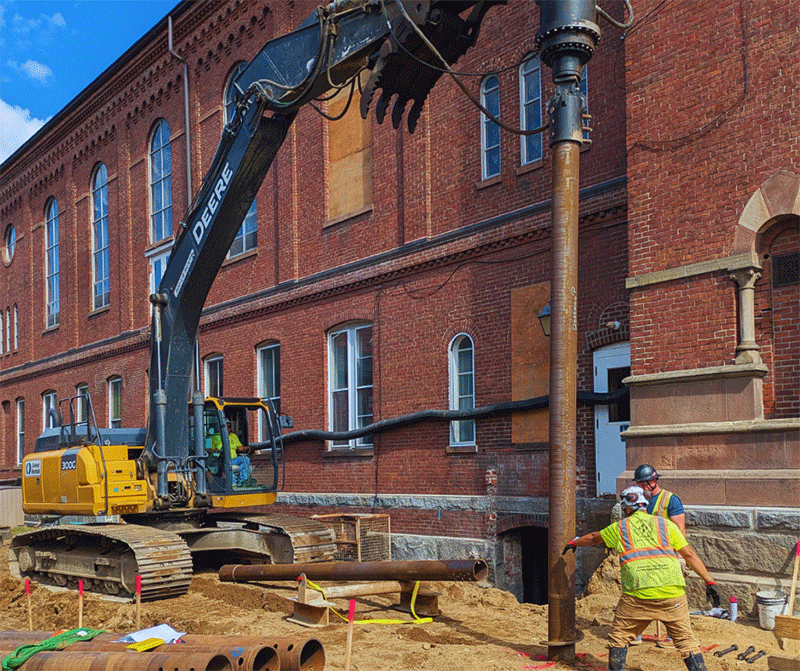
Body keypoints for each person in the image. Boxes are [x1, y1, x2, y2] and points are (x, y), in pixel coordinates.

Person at [562, 486, 720, 671]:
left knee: (619, 638)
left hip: (638, 596)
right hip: (672, 595)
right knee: (686, 642)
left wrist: (574, 542)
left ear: (627, 507)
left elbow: (594, 538)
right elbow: (689, 554)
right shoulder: (666, 525)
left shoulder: (621, 527)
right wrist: (709, 582)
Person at [633, 463, 686, 534]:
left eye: (644, 485)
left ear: (654, 481)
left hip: (666, 544)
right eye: (639, 485)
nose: (642, 488)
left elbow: (680, 529)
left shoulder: (671, 499)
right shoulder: (638, 500)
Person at [211, 420, 251, 486]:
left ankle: (243, 481)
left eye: (229, 426)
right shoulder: (215, 437)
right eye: (226, 426)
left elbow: (239, 447)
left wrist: (245, 448)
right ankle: (233, 483)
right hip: (221, 460)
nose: (228, 428)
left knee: (246, 459)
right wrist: (216, 451)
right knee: (227, 463)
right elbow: (208, 449)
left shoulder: (233, 436)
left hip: (233, 459)